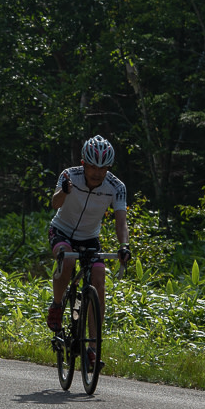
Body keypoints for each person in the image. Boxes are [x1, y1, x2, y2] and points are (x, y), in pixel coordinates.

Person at [46, 135, 131, 336]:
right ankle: (57, 306)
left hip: (89, 238)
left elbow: (121, 222)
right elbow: (55, 204)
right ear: (83, 163)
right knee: (66, 261)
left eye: (103, 168)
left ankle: (93, 348)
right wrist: (64, 192)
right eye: (93, 167)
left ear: (109, 168)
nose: (97, 173)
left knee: (99, 283)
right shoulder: (69, 176)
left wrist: (124, 246)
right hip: (61, 231)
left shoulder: (116, 187)